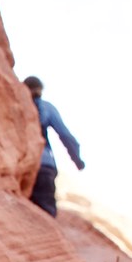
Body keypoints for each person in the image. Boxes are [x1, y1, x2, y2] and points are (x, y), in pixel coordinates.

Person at [23, 76, 84, 217]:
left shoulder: (19, 105)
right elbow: (65, 135)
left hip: (22, 164)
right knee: (45, 213)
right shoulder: (46, 108)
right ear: (40, 90)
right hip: (44, 164)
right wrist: (77, 160)